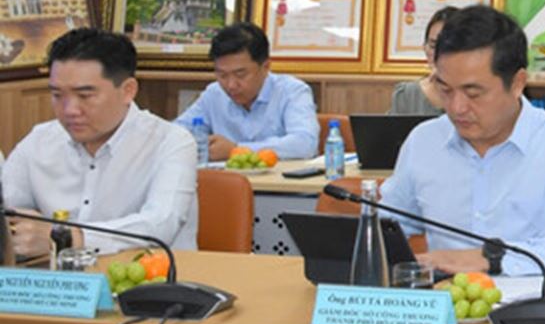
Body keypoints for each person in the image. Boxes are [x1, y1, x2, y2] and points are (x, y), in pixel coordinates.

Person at [379, 5, 545, 276]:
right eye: (445, 90)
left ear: (518, 83)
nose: (457, 107)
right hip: (446, 300)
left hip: (539, 301)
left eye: (473, 93)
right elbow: (385, 228)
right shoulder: (423, 141)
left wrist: (494, 258)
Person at [3, 28, 197, 254]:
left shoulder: (171, 142)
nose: (70, 110)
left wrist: (67, 238)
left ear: (128, 91)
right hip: (53, 275)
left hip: (149, 274)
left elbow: (160, 224)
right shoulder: (39, 140)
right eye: (57, 95)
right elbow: (8, 207)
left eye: (85, 96)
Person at [176, 22, 319, 161]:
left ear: (265, 67)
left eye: (240, 74)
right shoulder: (214, 94)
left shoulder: (292, 91)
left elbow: (305, 144)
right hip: (225, 177)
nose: (231, 85)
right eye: (222, 75)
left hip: (277, 177)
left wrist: (237, 150)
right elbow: (176, 132)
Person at [388, 5, 457, 116]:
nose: (439, 54)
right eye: (433, 46)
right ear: (424, 47)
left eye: (448, 47)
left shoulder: (476, 94)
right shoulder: (407, 94)